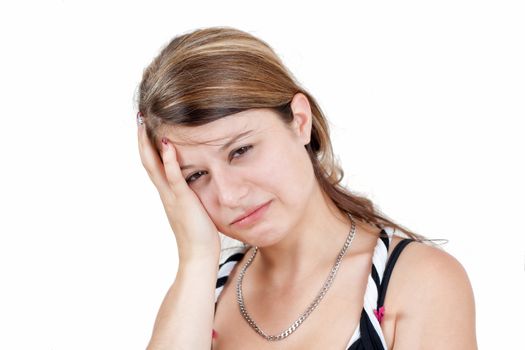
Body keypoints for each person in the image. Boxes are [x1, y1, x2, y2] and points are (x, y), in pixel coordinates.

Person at [135, 26, 477, 349]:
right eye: (195, 175)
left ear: (300, 121)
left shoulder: (418, 282)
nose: (229, 195)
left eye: (241, 151)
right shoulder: (201, 295)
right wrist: (196, 258)